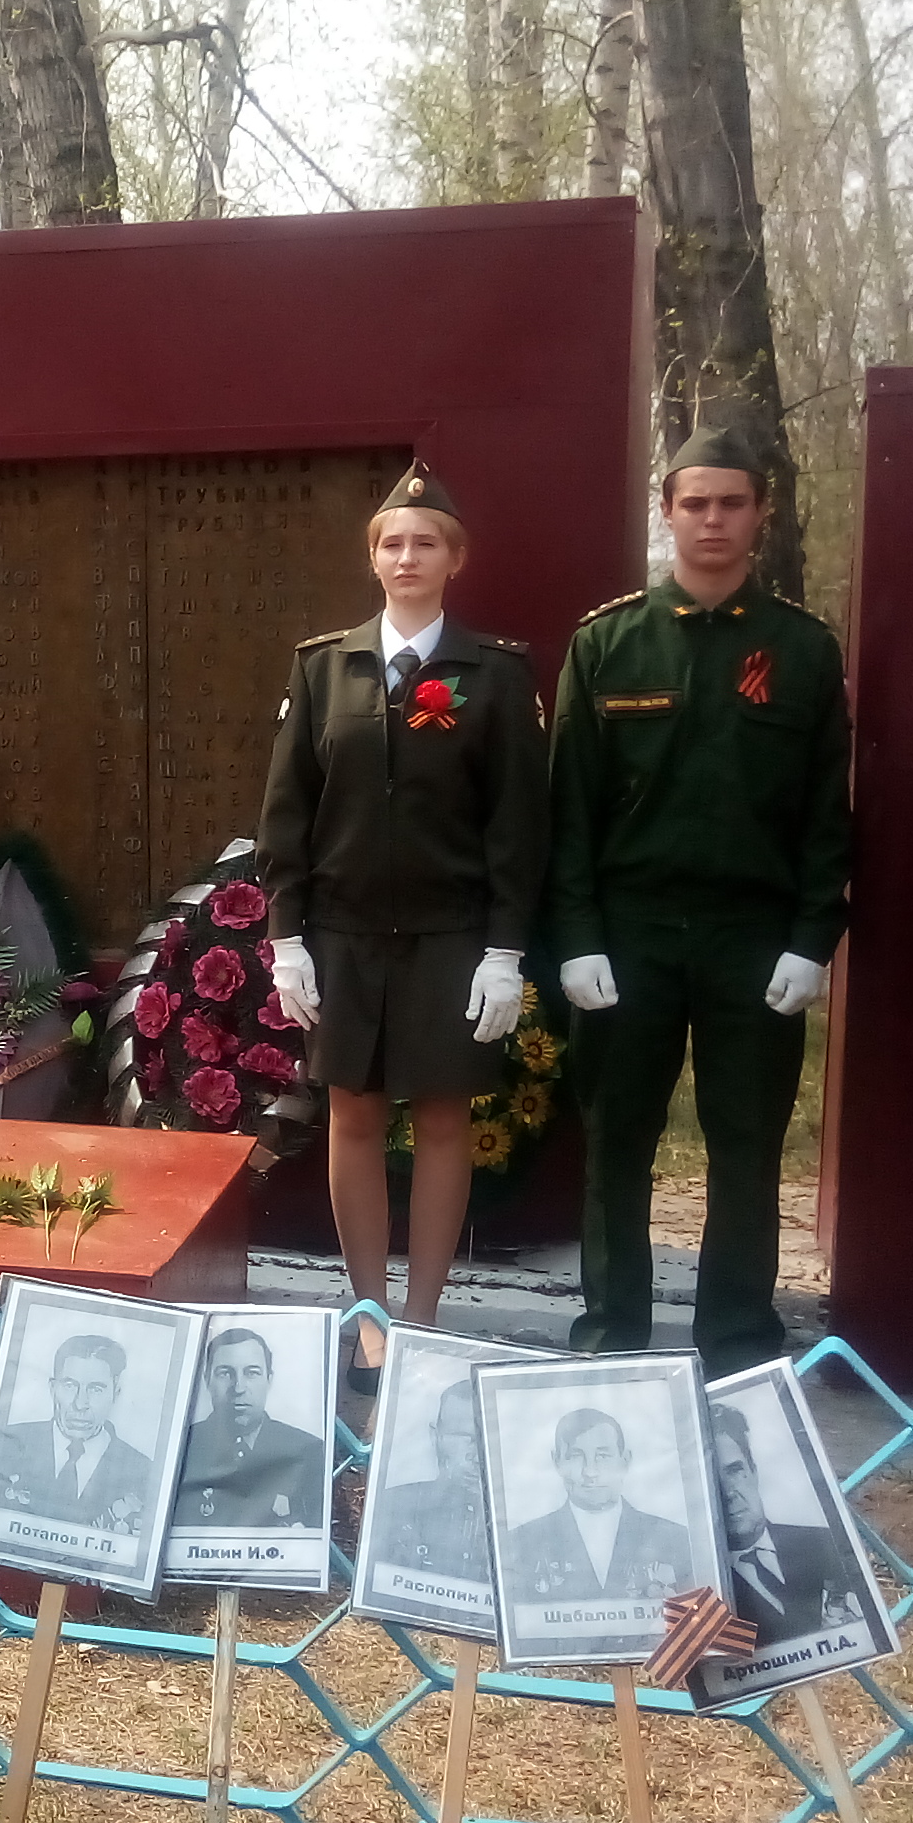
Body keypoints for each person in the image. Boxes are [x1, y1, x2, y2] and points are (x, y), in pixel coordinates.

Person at [544, 424, 852, 1367]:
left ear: (759, 513)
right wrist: (578, 935)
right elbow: (570, 809)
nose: (712, 520)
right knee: (617, 1145)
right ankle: (611, 1338)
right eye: (694, 503)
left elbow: (824, 811)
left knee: (748, 1148)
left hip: (751, 939)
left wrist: (812, 937)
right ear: (668, 512)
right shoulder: (608, 641)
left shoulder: (802, 648)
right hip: (629, 937)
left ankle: (738, 1345)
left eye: (731, 503)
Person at [257, 463, 548, 1404]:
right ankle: (369, 1315)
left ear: (454, 559)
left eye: (425, 541)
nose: (406, 556)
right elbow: (288, 811)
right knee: (351, 1114)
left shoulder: (495, 673)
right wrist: (286, 934)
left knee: (443, 1121)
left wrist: (506, 950)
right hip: (341, 933)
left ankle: (423, 1320)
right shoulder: (324, 665)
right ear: (372, 557)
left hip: (449, 936)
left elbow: (517, 825)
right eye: (391, 542)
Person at [706, 1405, 866, 1652]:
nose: (728, 1493)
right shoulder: (702, 1591)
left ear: (754, 1471)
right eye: (711, 1479)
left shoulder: (824, 1544)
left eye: (734, 1471)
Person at [502, 1404, 697, 1601]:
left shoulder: (677, 1541)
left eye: (603, 1456)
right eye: (576, 1456)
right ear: (557, 1461)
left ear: (625, 1460)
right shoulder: (520, 1544)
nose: (590, 1472)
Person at [163, 1323, 331, 1538]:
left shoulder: (308, 1451)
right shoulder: (180, 1445)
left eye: (251, 1373)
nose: (239, 1388)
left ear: (269, 1380)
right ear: (206, 1380)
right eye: (225, 1374)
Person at [0, 1326, 162, 1541]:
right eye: (70, 1385)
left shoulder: (144, 1472)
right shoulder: (5, 1444)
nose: (80, 1404)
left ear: (115, 1394)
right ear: (53, 1388)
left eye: (96, 1389)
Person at [361, 1364, 493, 1595]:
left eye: (487, 1438)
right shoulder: (394, 1506)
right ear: (436, 1437)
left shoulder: (529, 1530)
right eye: (462, 1436)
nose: (475, 1453)